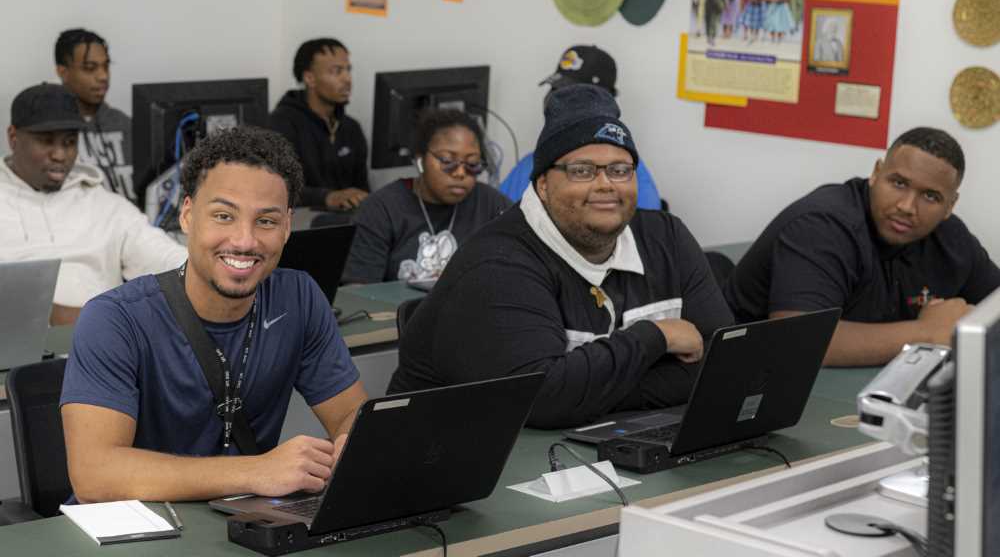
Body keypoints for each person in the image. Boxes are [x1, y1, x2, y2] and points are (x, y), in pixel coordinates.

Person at [388, 85, 733, 429]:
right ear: (542, 185)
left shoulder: (667, 237)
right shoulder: (499, 263)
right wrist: (656, 337)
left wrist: (590, 392)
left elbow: (722, 366)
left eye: (619, 169)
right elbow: (543, 399)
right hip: (440, 455)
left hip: (577, 446)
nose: (605, 185)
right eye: (582, 170)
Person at [60, 126, 368, 503]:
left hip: (241, 523)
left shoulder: (299, 297)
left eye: (266, 221)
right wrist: (257, 471)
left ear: (287, 226)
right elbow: (95, 477)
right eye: (224, 216)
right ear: (188, 216)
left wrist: (345, 450)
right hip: (132, 536)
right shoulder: (113, 319)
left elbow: (352, 416)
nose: (244, 240)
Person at [724, 127, 1000, 367]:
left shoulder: (951, 238)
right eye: (899, 183)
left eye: (930, 196)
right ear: (876, 173)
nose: (907, 206)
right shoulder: (823, 225)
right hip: (749, 381)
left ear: (950, 205)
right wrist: (927, 331)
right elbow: (799, 340)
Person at [0, 83, 186, 325]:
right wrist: (56, 316)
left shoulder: (105, 206)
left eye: (69, 142)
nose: (60, 155)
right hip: (15, 355)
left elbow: (169, 260)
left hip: (105, 350)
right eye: (47, 141)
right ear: (13, 138)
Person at [343, 109, 511, 283]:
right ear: (420, 161)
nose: (461, 173)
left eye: (472, 163)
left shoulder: (492, 204)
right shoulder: (380, 210)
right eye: (447, 161)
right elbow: (358, 291)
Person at [498, 45, 663, 211]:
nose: (557, 102)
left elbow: (641, 232)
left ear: (605, 103)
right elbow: (498, 219)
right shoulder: (530, 164)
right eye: (555, 91)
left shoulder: (628, 173)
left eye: (573, 96)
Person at [269, 38, 369, 211]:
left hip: (348, 226)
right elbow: (274, 189)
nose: (347, 79)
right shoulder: (281, 125)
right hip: (299, 228)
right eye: (336, 71)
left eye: (348, 70)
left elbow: (362, 189)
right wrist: (327, 197)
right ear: (310, 78)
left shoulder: (351, 128)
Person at [55, 28, 134, 201]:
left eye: (106, 66)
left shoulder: (125, 125)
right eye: (90, 68)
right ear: (63, 72)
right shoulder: (51, 131)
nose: (103, 76)